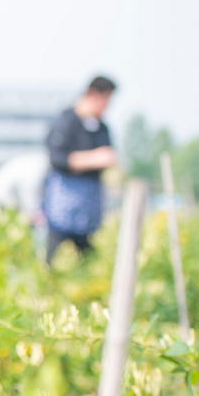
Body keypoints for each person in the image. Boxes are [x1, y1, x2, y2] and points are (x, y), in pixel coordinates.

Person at [43, 76, 119, 265]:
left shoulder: (102, 128)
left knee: (89, 261)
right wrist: (94, 158)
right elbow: (57, 158)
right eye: (106, 100)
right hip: (63, 205)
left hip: (90, 209)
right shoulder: (66, 121)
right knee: (54, 260)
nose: (107, 107)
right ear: (94, 94)